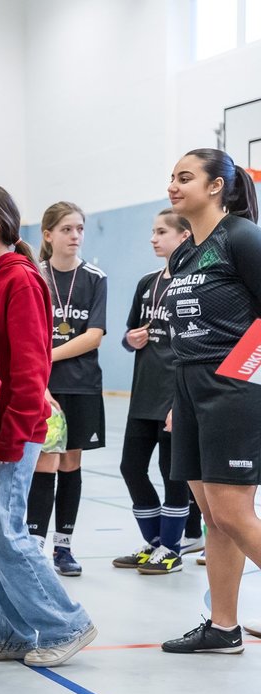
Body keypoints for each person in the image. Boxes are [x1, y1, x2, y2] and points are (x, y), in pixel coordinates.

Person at [0, 185, 97, 667]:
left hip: (17, 426)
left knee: (5, 529)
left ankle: (65, 623)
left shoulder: (20, 278)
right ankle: (6, 629)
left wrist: (15, 433)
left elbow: (31, 366)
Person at [160, 148, 261, 654]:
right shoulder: (183, 252)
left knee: (234, 513)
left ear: (216, 186)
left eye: (184, 177)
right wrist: (184, 396)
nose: (173, 186)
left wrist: (238, 380)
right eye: (171, 178)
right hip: (190, 385)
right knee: (212, 517)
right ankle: (224, 627)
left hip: (233, 388)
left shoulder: (242, 238)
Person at [26, 202, 107, 577]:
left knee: (71, 462)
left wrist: (47, 354)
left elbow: (93, 336)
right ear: (47, 235)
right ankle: (34, 546)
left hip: (81, 386)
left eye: (79, 229)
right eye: (66, 230)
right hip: (40, 385)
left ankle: (64, 547)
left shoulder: (95, 278)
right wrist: (39, 370)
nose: (75, 236)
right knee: (45, 461)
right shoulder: (34, 276)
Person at [115, 209, 193, 574]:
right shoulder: (147, 282)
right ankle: (154, 542)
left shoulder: (194, 281)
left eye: (161, 231)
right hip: (143, 394)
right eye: (152, 231)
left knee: (171, 471)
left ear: (183, 237)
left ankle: (173, 549)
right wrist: (131, 339)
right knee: (131, 467)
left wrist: (182, 402)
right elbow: (130, 334)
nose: (153, 238)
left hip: (175, 395)